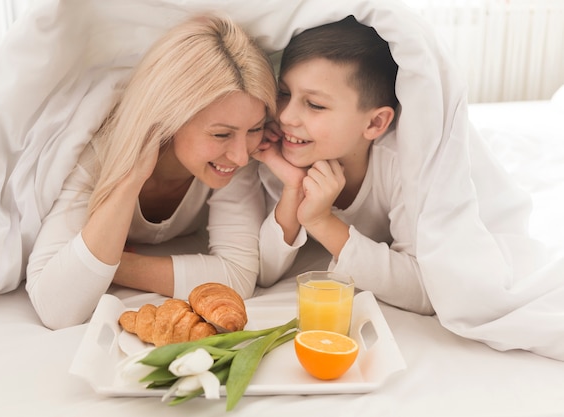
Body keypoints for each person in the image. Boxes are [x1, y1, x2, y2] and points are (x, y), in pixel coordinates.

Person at [26, 13, 277, 329]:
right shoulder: (95, 153)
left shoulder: (237, 158)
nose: (242, 156)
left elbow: (237, 277)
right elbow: (56, 308)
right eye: (221, 134)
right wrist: (130, 180)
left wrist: (113, 265)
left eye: (255, 128)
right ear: (169, 117)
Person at [253, 16, 433, 314]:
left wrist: (321, 222)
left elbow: (424, 290)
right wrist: (293, 188)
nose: (285, 116)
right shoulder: (279, 154)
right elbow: (263, 273)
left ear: (375, 122)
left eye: (315, 104)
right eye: (284, 93)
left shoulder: (401, 166)